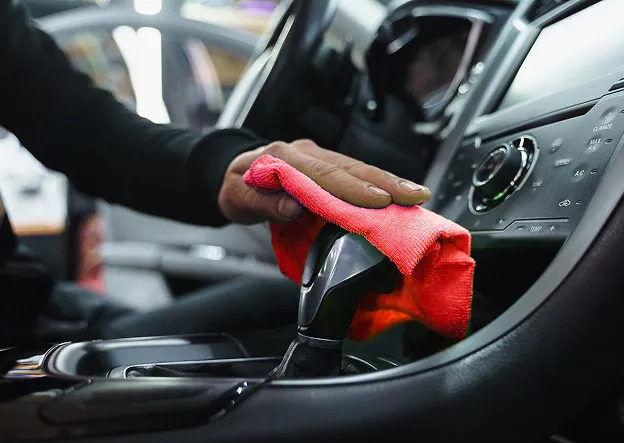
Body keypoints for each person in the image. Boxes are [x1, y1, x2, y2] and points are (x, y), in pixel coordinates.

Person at [0, 0, 431, 344]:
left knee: (289, 309)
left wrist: (223, 165)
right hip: (16, 344)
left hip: (40, 299)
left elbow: (85, 129)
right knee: (302, 325)